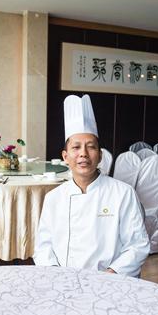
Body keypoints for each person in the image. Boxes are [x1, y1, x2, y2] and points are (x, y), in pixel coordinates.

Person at [33, 94, 150, 277]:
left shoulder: (123, 193)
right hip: (62, 280)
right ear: (65, 157)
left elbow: (137, 245)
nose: (83, 154)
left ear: (100, 155)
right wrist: (55, 275)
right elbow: (43, 246)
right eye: (76, 147)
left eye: (91, 147)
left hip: (110, 281)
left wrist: (110, 275)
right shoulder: (53, 198)